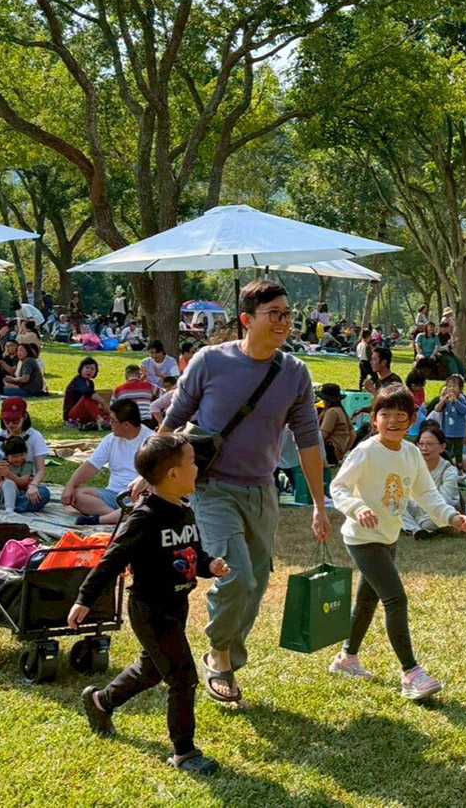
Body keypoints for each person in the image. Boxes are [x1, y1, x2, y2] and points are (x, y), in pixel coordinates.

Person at [153, 280, 329, 705]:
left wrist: (320, 505)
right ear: (247, 320)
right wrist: (153, 474)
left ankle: (228, 650)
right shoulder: (210, 361)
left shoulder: (295, 373)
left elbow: (308, 440)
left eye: (288, 314)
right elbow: (175, 418)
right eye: (276, 315)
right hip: (212, 488)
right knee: (236, 575)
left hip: (263, 491)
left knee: (257, 583)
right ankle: (220, 656)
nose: (285, 323)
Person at [71, 434, 229, 777]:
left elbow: (192, 554)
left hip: (176, 605)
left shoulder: (183, 509)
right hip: (150, 609)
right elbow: (112, 560)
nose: (197, 467)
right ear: (173, 474)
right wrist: (85, 599)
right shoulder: (144, 518)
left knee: (152, 668)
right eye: (191, 462)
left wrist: (209, 565)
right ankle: (184, 752)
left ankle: (101, 701)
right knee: (182, 677)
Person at [327, 385, 466, 698]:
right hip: (363, 538)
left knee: (367, 600)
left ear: (413, 419)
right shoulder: (365, 452)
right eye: (385, 414)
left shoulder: (410, 454)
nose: (393, 420)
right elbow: (338, 488)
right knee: (395, 598)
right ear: (374, 418)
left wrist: (451, 517)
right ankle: (411, 673)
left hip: (389, 536)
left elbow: (427, 493)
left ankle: (346, 658)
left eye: (401, 415)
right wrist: (358, 507)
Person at [63, 399, 154, 525]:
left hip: (138, 494)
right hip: (113, 494)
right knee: (77, 495)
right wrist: (70, 486)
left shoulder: (151, 441)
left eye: (113, 421)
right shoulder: (110, 439)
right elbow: (90, 466)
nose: (109, 423)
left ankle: (103, 519)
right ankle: (120, 517)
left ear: (126, 425)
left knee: (150, 502)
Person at [401, 423, 462, 539]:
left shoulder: (449, 470)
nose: (424, 448)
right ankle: (418, 529)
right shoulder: (412, 466)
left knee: (436, 518)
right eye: (421, 444)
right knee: (394, 506)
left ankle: (415, 526)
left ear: (442, 447)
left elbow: (444, 499)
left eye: (429, 444)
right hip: (418, 509)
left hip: (440, 508)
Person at [426, 375, 466, 464]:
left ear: (460, 389)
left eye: (454, 386)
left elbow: (464, 410)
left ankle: (459, 467)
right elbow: (437, 409)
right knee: (446, 451)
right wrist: (444, 399)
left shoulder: (461, 401)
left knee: (458, 453)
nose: (451, 389)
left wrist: (455, 401)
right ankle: (444, 464)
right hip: (447, 433)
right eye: (449, 386)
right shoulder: (445, 403)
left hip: (459, 434)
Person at [63, 356, 111, 428]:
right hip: (72, 415)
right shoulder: (78, 381)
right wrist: (103, 401)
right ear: (81, 369)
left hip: (85, 413)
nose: (89, 370)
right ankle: (100, 421)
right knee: (87, 398)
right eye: (87, 368)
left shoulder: (90, 383)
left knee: (101, 408)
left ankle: (109, 421)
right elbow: (87, 393)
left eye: (92, 369)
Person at [318, 383, 354, 466]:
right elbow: (353, 435)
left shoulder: (332, 412)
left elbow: (322, 435)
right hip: (337, 452)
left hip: (329, 452)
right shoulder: (342, 411)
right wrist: (342, 452)